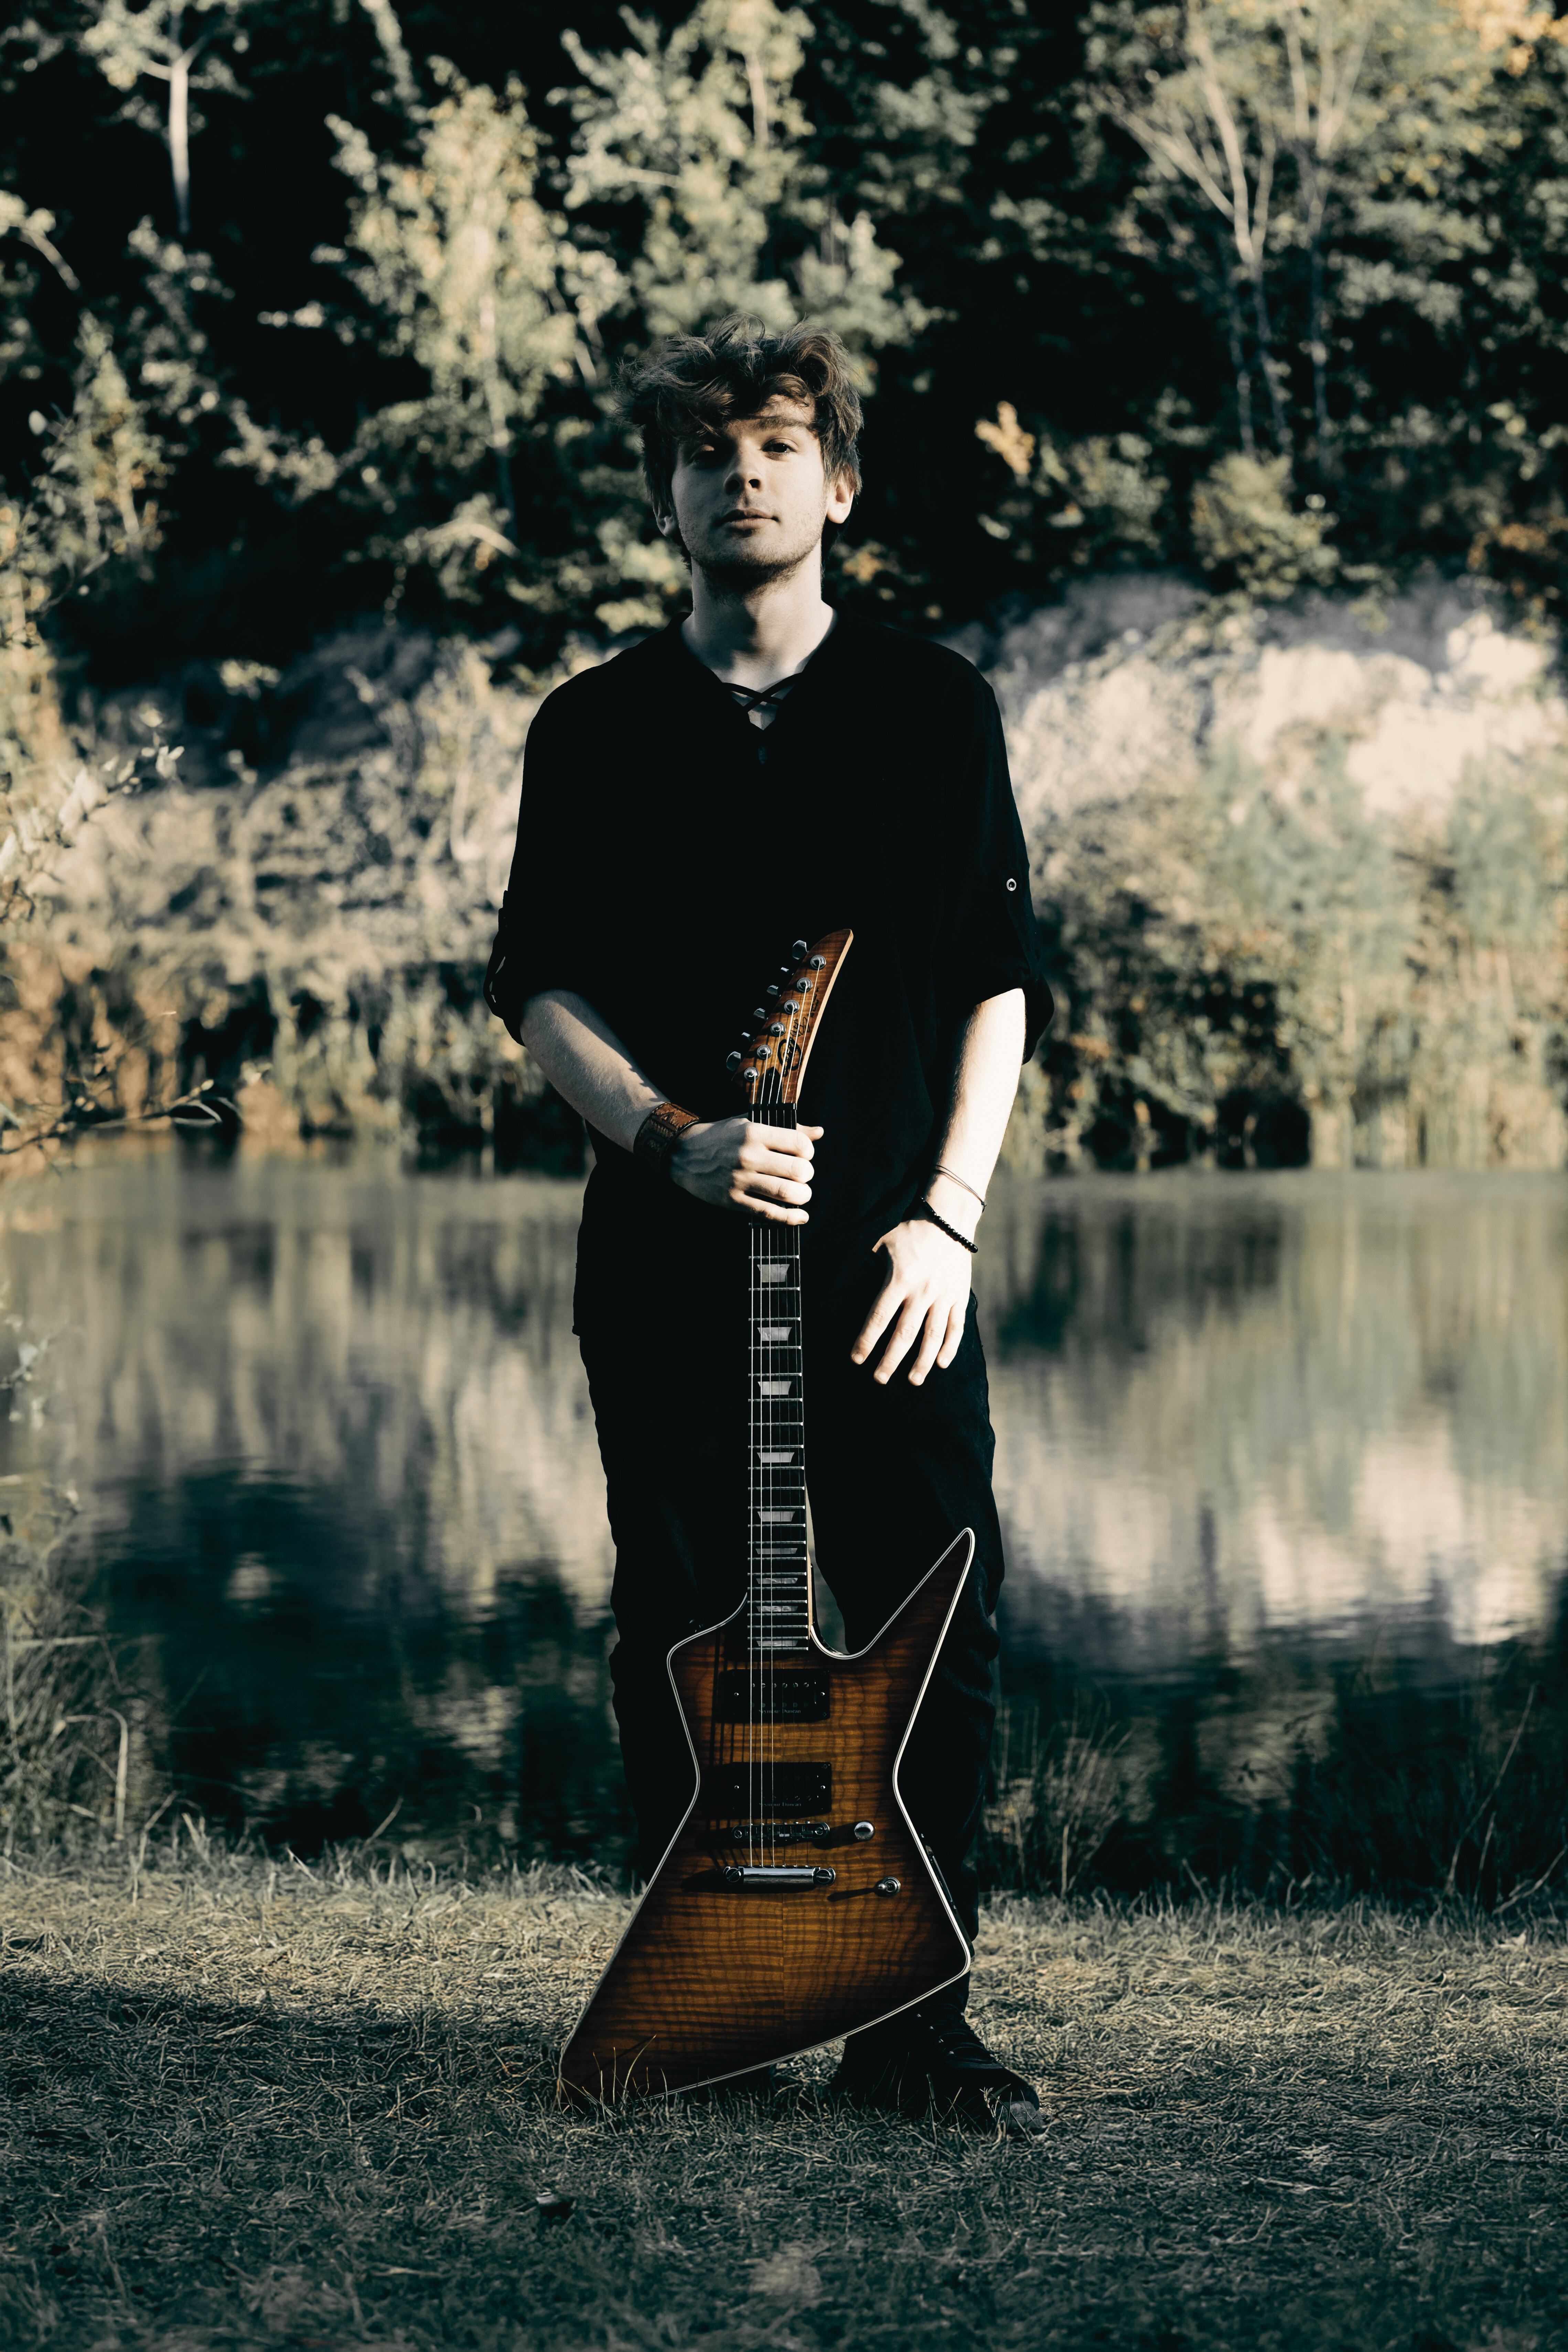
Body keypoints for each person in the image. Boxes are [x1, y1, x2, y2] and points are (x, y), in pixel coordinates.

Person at [483, 314, 1052, 2135]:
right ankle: (702, 2012)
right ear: (667, 489)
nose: (747, 469)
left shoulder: (933, 709)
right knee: (685, 1627)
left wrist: (948, 1219)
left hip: (888, 1271)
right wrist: (672, 1140)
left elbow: (993, 984)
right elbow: (543, 993)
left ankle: (916, 2022)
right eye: (712, 446)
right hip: (663, 1266)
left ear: (843, 481)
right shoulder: (594, 728)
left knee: (933, 1618)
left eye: (782, 442)